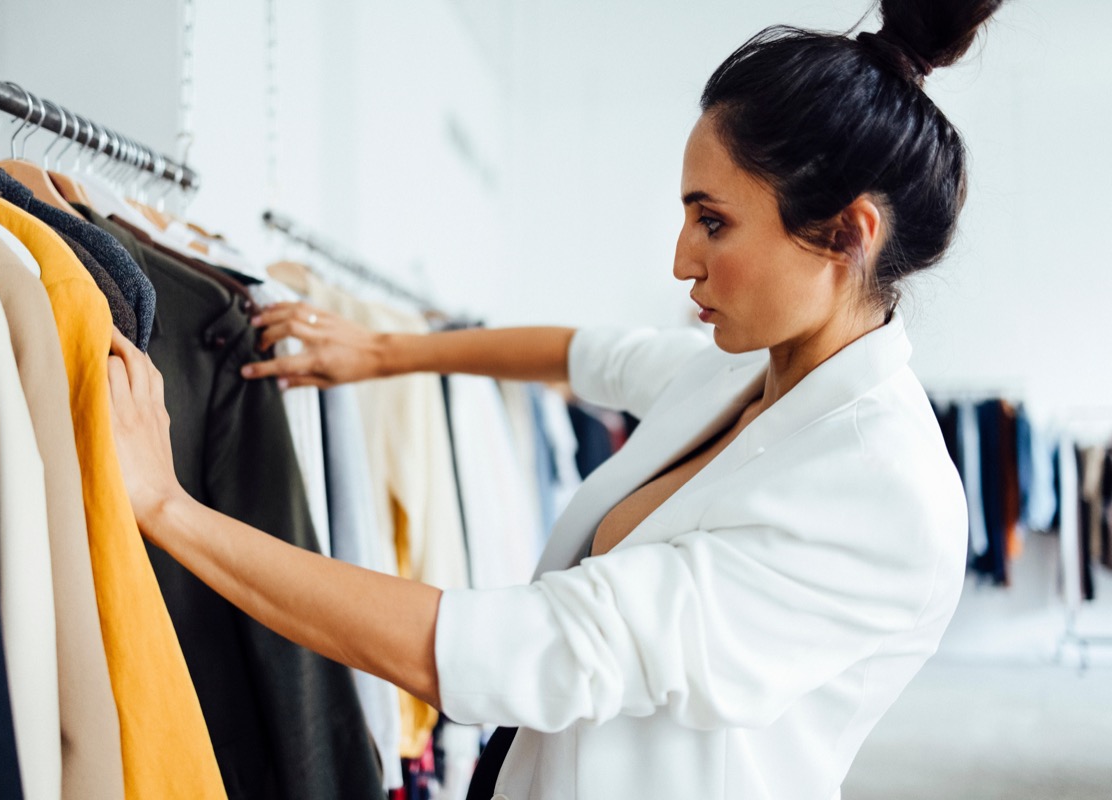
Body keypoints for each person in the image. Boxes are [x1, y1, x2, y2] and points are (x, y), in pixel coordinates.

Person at [107, 1, 1004, 797]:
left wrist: (168, 509)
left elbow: (525, 651)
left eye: (714, 220)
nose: (682, 259)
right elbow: (585, 356)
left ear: (846, 233)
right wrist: (385, 352)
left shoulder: (886, 494)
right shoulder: (752, 371)